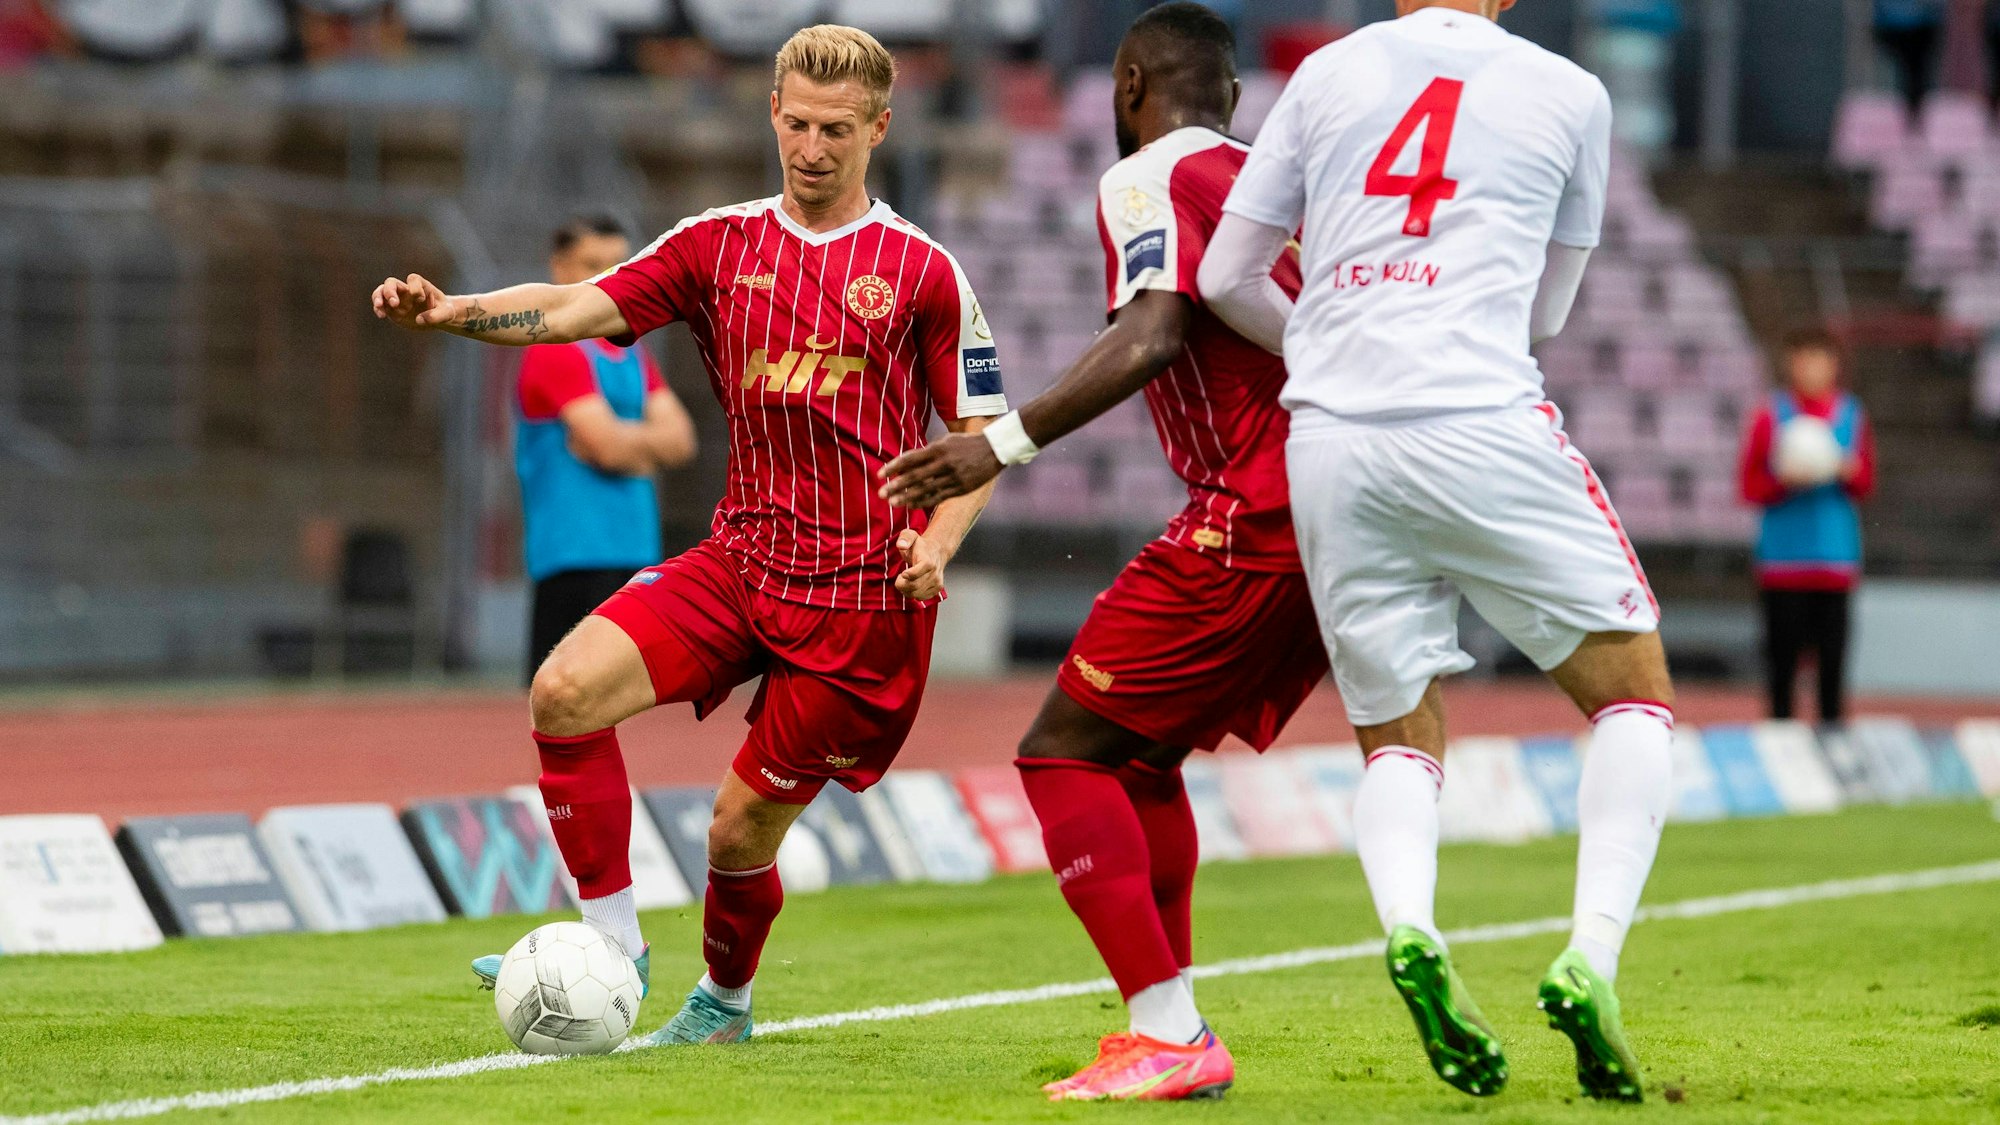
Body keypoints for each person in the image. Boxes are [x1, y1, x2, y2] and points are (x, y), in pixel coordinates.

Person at [371, 24, 1006, 1045]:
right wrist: (456, 312)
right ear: (771, 113)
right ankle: (614, 946)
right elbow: (575, 305)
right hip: (741, 559)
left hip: (858, 597)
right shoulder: (717, 245)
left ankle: (723, 1003)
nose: (810, 147)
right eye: (795, 123)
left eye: (835, 129)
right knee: (564, 692)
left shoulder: (921, 274)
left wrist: (937, 541)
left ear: (878, 128)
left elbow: (985, 438)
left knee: (736, 827)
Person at [1197, 0, 1673, 1104]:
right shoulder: (1571, 93)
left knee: (1395, 737)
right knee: (1631, 699)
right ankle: (1587, 957)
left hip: (1330, 440)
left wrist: (1323, 333)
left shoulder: (1322, 76)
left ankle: (1411, 929)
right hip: (1477, 418)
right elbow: (1541, 313)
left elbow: (1226, 276)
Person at [879, 2, 1326, 1102]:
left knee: (1061, 753)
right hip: (1331, 504)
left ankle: (1167, 1031)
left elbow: (1153, 331)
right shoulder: (1268, 181)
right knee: (1137, 757)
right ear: (1230, 95)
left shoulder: (1148, 175)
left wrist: (998, 444)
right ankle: (1165, 1022)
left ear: (1129, 85)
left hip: (1251, 510)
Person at [515, 215, 697, 681]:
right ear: (558, 267)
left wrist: (624, 442)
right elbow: (609, 447)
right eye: (590, 265)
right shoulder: (554, 348)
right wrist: (640, 446)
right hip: (574, 558)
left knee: (625, 707)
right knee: (562, 704)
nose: (606, 279)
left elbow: (682, 440)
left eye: (618, 266)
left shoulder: (632, 353)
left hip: (634, 555)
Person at [1736, 328, 1876, 725]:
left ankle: (1832, 737)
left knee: (1832, 662)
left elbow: (1866, 483)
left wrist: (1844, 469)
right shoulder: (1770, 415)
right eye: (1805, 359)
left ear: (1835, 365)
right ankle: (1781, 739)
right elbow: (1749, 485)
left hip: (1834, 561)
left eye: (1821, 359)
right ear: (1791, 363)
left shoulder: (1851, 414)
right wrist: (1785, 480)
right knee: (1781, 662)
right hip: (1782, 562)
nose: (1813, 369)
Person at [1876, 0, 1946, 117]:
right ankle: (1908, 112)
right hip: (1895, 23)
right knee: (1908, 74)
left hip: (1921, 23)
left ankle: (1913, 113)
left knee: (1916, 75)